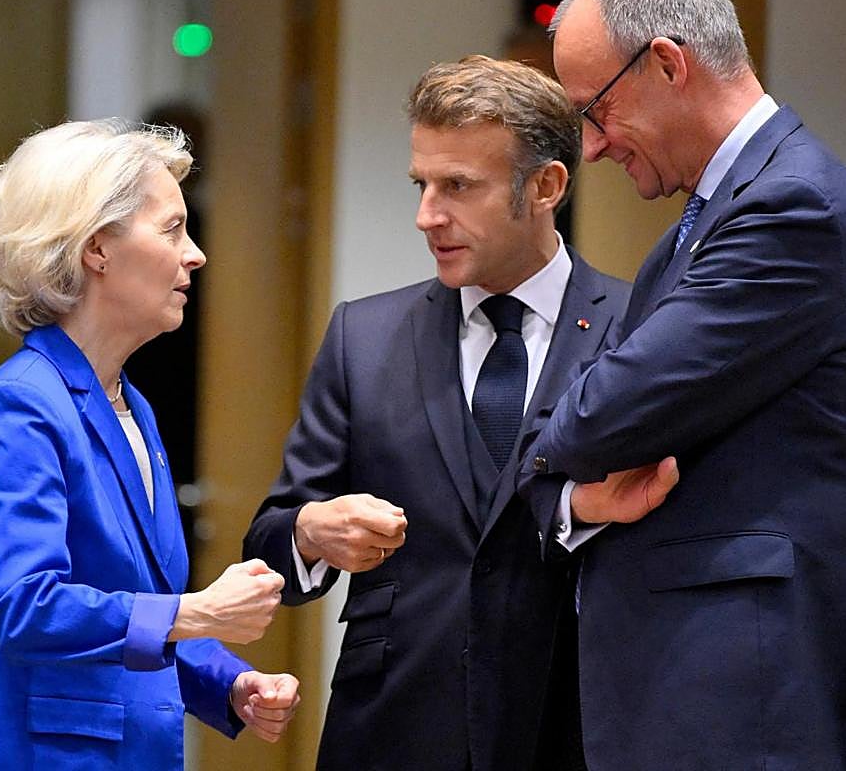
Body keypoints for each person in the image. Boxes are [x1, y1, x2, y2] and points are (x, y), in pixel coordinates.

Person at [517, 0, 846, 770]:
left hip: (751, 710)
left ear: (666, 62)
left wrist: (563, 445)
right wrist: (577, 478)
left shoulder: (792, 209)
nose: (590, 150)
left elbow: (593, 417)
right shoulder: (701, 224)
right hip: (702, 698)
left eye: (596, 110)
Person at [244, 55, 650, 770]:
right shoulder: (362, 337)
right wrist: (311, 531)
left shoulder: (638, 329)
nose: (427, 215)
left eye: (458, 186)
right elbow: (271, 536)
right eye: (422, 185)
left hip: (577, 727)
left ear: (547, 186)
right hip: (395, 728)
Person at [0, 119, 300, 770]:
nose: (196, 253)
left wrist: (228, 682)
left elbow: (128, 602)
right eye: (172, 229)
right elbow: (23, 608)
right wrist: (198, 612)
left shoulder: (132, 406)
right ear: (97, 249)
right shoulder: (21, 406)